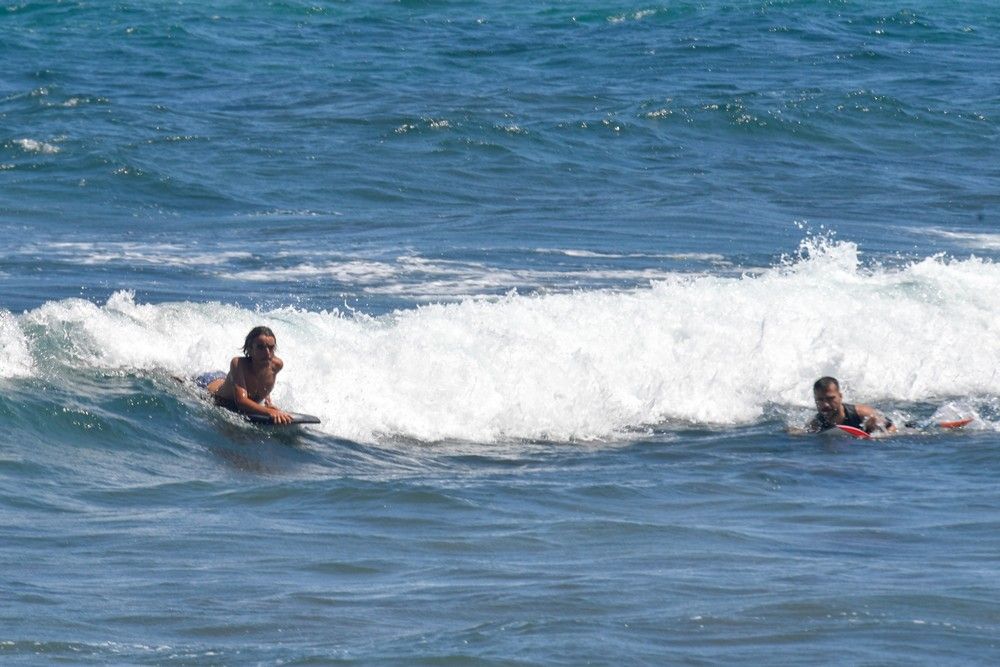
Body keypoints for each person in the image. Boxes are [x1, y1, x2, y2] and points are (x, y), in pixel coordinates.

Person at [196, 326, 294, 425]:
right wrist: (271, 412)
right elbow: (241, 401)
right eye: (260, 347)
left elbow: (264, 382)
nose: (267, 353)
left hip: (232, 380)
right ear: (250, 349)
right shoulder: (238, 364)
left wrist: (268, 403)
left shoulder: (277, 365)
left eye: (271, 347)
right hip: (208, 384)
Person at [806, 376, 895, 434]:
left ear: (840, 397)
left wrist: (879, 436)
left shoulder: (862, 414)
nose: (825, 404)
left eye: (830, 399)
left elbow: (892, 427)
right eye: (820, 400)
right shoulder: (816, 424)